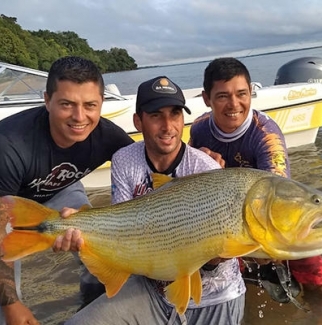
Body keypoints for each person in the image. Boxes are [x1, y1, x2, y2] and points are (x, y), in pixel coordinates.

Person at [59, 76, 246, 325]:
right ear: (138, 121)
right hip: (151, 290)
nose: (168, 126)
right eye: (156, 115)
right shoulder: (124, 160)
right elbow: (122, 230)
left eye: (175, 114)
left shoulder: (206, 168)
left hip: (215, 295)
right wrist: (82, 228)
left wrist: (211, 256)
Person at [0, 56, 134, 325]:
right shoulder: (9, 142)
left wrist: (199, 155)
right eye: (67, 104)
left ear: (101, 103)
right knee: (0, 298)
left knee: (99, 251)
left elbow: (149, 164)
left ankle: (89, 308)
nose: (80, 117)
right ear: (47, 100)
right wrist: (13, 305)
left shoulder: (109, 136)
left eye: (90, 105)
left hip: (60, 186)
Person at [188, 57, 322, 303]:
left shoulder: (266, 135)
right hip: (222, 219)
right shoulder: (199, 129)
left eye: (242, 94)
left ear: (251, 93)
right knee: (228, 276)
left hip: (261, 217)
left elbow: (278, 197)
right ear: (206, 99)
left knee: (313, 269)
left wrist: (267, 247)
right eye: (223, 96)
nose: (234, 104)